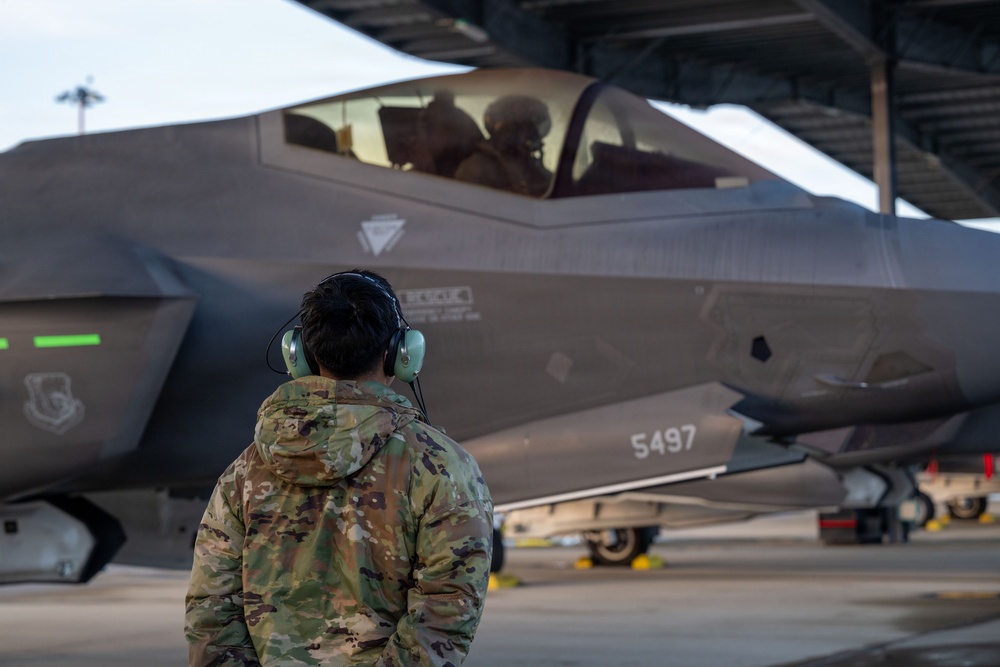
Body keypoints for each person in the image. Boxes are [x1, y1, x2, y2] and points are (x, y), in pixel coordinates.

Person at [185, 270, 493, 666]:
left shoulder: (244, 472)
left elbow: (211, 606)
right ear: (400, 354)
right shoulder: (440, 467)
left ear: (301, 355)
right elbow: (449, 606)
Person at [454, 94, 553, 197]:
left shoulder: (527, 163)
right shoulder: (477, 168)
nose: (532, 135)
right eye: (527, 128)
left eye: (532, 128)